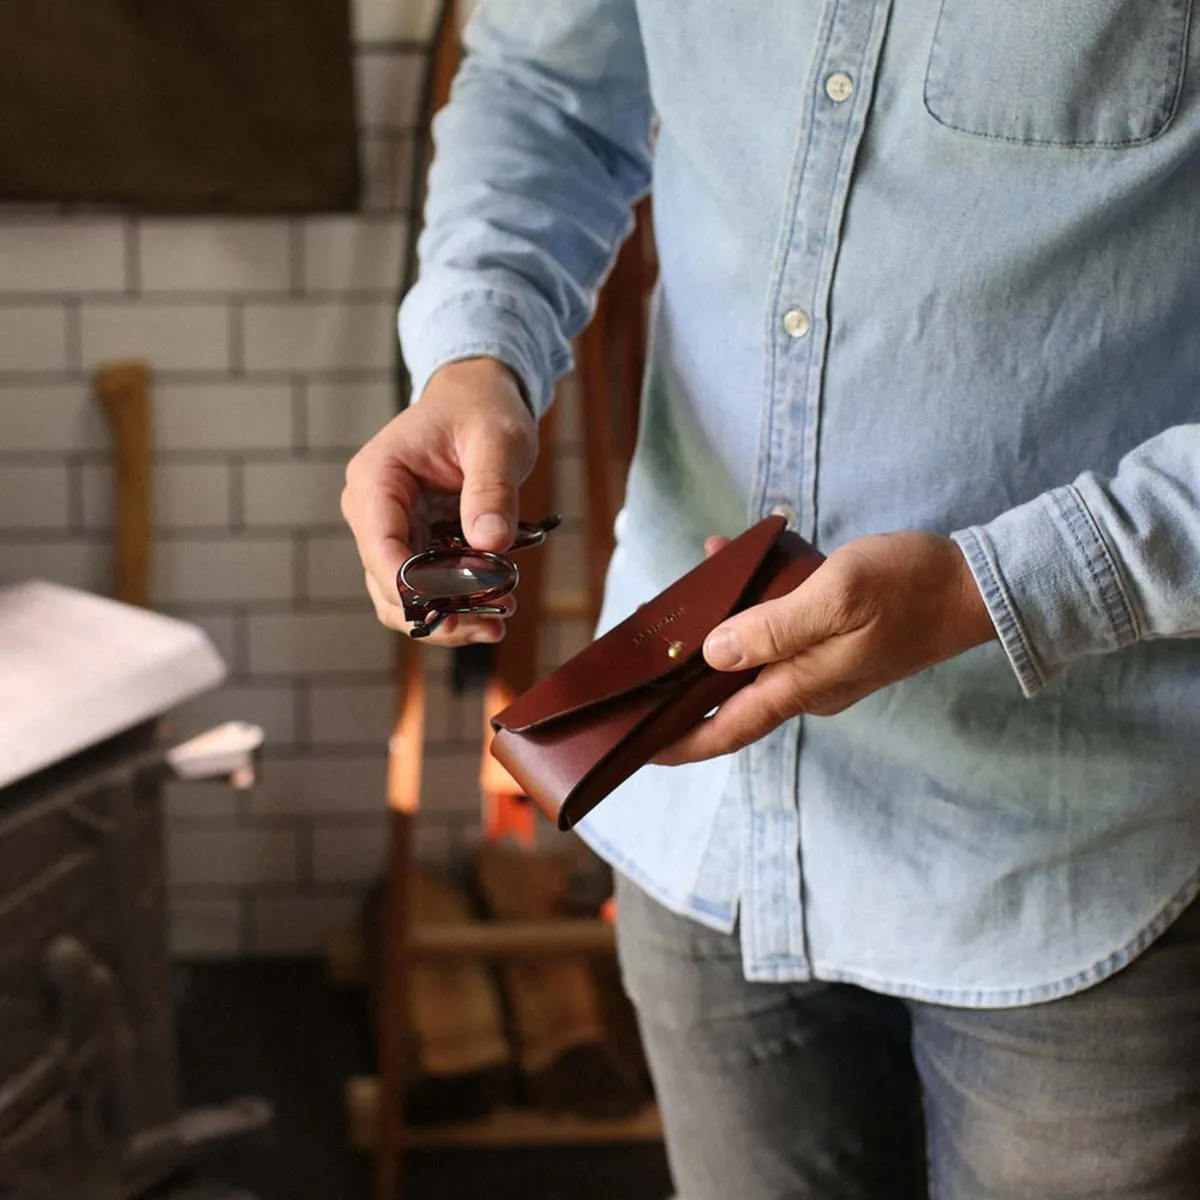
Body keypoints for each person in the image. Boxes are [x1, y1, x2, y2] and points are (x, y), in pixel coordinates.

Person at [341, 4, 1200, 1196]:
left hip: (1091, 855)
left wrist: (991, 590)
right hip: (700, 828)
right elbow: (545, 91)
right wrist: (478, 352)